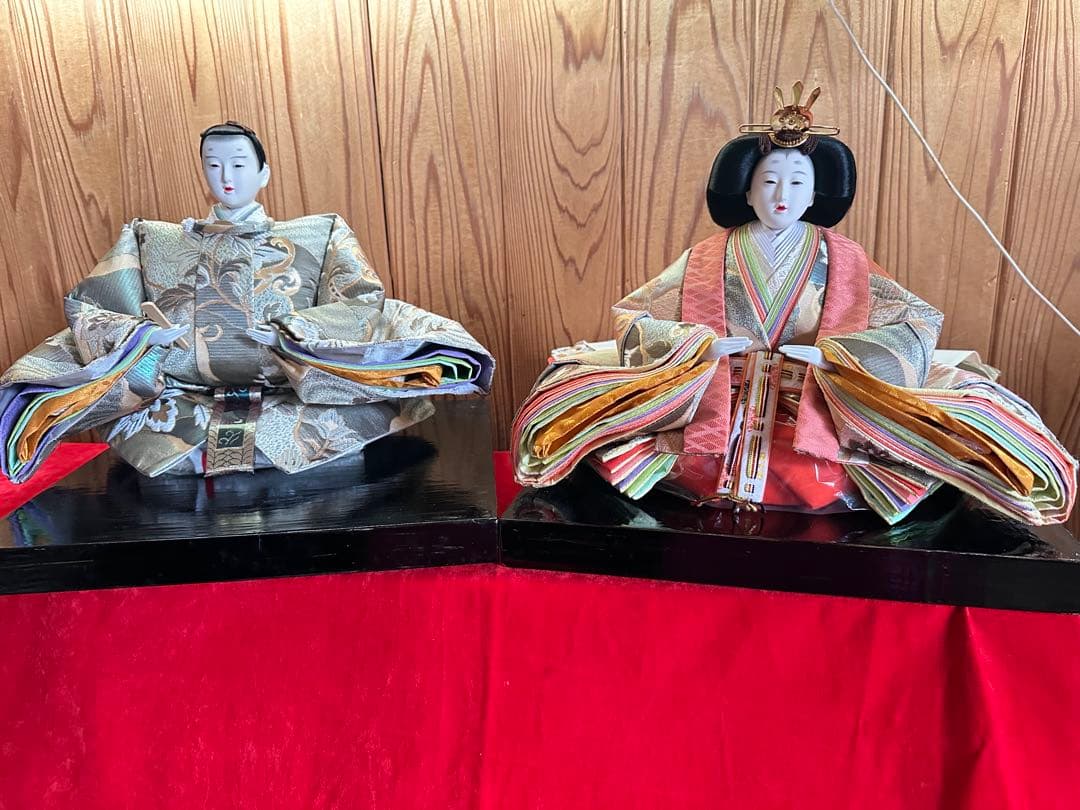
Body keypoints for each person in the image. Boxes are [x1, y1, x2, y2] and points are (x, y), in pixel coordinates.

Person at [513, 85, 1075, 525]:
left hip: (813, 405)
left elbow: (916, 320)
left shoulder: (845, 259)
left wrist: (840, 357)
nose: (781, 196)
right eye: (768, 181)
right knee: (659, 455)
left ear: (815, 194)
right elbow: (636, 316)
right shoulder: (707, 257)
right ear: (746, 190)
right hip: (719, 404)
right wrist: (698, 346)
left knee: (830, 478)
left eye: (797, 183)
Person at [0, 121, 493, 481]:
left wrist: (294, 334)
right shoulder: (152, 238)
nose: (226, 177)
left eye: (238, 164)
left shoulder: (318, 234)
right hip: (179, 407)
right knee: (167, 456)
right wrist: (144, 338)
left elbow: (362, 303)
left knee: (328, 448)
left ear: (264, 172)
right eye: (213, 165)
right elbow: (94, 308)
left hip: (297, 402)